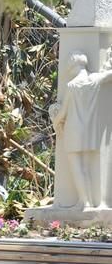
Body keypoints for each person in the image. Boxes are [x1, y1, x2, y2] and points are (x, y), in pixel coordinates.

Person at [49, 50, 112, 208]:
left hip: (73, 131)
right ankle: (88, 200)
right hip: (90, 132)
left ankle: (85, 201)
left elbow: (63, 113)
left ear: (73, 66)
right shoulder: (94, 79)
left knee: (77, 167)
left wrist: (55, 121)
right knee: (86, 166)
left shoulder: (72, 85)